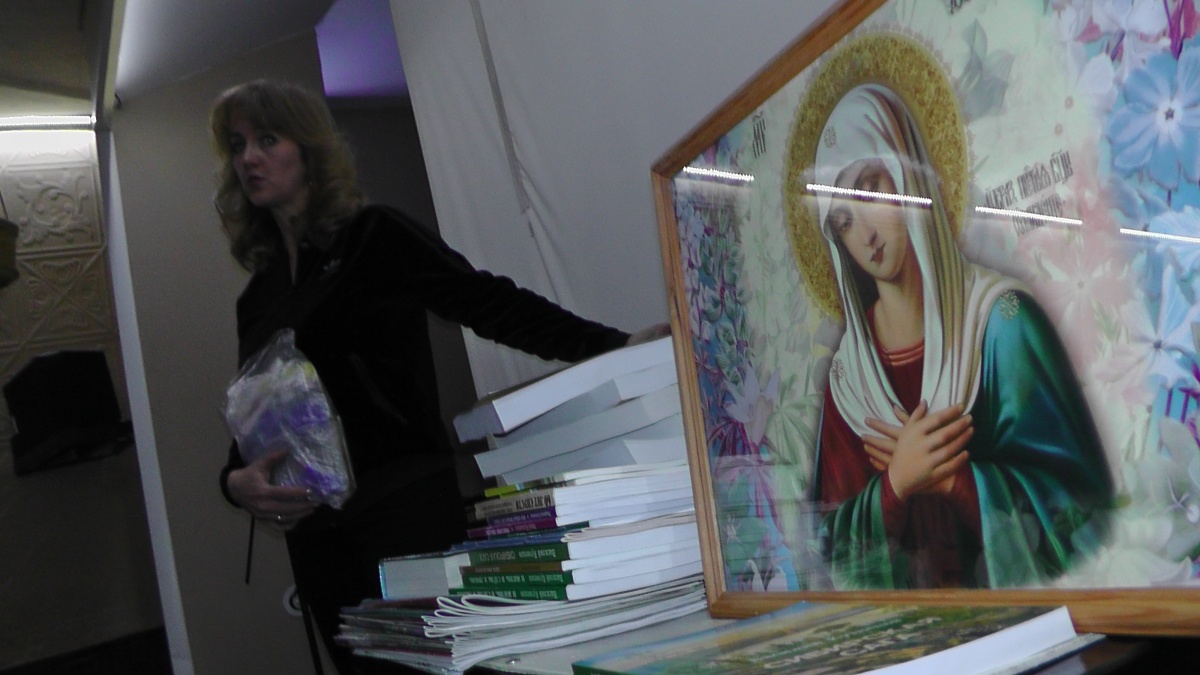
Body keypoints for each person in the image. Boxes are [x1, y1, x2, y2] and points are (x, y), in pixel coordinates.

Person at [211, 79, 663, 674]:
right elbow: (254, 416)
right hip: (318, 538)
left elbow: (486, 301)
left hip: (403, 509)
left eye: (267, 140)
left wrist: (614, 346)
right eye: (238, 145)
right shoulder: (257, 298)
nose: (249, 158)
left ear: (309, 149)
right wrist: (234, 482)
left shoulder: (374, 235)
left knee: (445, 666)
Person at [808, 83, 1112, 591]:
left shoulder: (1004, 324)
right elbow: (830, 554)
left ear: (905, 172)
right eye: (843, 221)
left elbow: (1084, 511)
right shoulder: (848, 381)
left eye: (869, 190)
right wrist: (895, 486)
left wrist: (952, 480)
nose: (866, 234)